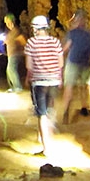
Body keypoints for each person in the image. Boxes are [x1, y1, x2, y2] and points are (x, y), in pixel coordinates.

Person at [24, 15, 64, 155]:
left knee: (41, 114)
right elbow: (61, 63)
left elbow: (29, 65)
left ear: (35, 28)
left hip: (39, 81)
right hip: (54, 80)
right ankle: (49, 135)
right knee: (49, 109)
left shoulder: (31, 43)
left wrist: (28, 78)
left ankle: (46, 147)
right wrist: (59, 77)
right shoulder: (55, 42)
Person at [61, 8, 90, 123]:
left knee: (69, 88)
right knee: (83, 87)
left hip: (73, 62)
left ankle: (66, 111)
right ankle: (84, 108)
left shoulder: (72, 33)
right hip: (85, 63)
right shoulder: (88, 35)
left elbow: (66, 47)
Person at [3, 13, 26, 92]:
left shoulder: (16, 30)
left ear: (12, 20)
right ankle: (13, 87)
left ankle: (18, 87)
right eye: (6, 22)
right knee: (9, 70)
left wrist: (25, 49)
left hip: (15, 53)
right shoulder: (10, 32)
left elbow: (22, 39)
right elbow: (7, 41)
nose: (7, 24)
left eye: (8, 21)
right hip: (10, 54)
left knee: (11, 69)